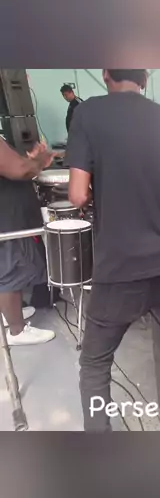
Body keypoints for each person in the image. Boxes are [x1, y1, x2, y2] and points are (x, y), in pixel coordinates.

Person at [66, 69, 160, 432]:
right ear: (145, 77)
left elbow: (78, 195)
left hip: (121, 267)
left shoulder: (88, 113)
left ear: (105, 73)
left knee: (95, 364)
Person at [0, 138, 56, 345]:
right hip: (6, 216)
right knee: (11, 268)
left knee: (8, 266)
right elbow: (19, 170)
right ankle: (17, 330)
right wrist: (39, 161)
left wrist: (29, 161)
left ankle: (10, 313)